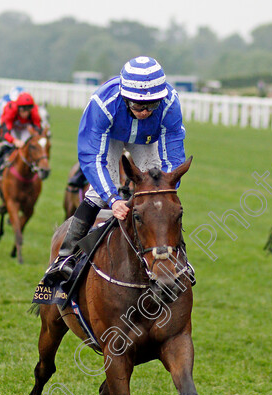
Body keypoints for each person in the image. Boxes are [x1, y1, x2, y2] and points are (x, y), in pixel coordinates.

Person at [43, 56, 186, 283]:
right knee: (96, 195)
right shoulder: (103, 104)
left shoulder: (170, 103)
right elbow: (92, 156)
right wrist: (112, 198)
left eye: (152, 105)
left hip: (146, 139)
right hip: (109, 137)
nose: (145, 112)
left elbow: (174, 150)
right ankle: (65, 257)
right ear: (125, 97)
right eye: (139, 105)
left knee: (160, 196)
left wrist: (166, 186)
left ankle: (180, 258)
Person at [0, 91, 43, 184]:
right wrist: (14, 141)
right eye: (23, 110)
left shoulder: (34, 112)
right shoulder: (10, 110)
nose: (26, 113)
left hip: (25, 129)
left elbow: (38, 130)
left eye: (28, 110)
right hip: (13, 129)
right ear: (18, 108)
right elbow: (5, 133)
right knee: (7, 145)